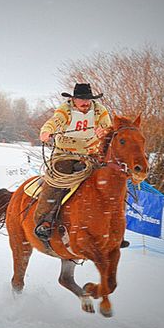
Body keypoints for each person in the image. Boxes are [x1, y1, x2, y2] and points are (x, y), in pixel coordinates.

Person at [34, 83, 115, 241]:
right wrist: (46, 131)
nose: (85, 103)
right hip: (65, 154)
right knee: (58, 181)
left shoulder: (100, 111)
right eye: (81, 99)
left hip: (91, 154)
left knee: (107, 181)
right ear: (74, 99)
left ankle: (111, 226)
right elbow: (54, 122)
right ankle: (45, 221)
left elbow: (109, 128)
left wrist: (104, 132)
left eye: (88, 100)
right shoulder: (65, 110)